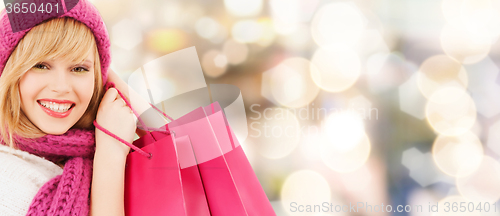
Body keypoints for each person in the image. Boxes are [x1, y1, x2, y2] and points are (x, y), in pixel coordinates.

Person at [0, 0, 156, 215]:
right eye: (41, 65)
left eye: (79, 68)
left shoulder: (101, 145)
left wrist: (114, 85)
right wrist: (110, 152)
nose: (61, 87)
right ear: (7, 71)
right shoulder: (8, 176)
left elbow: (183, 155)